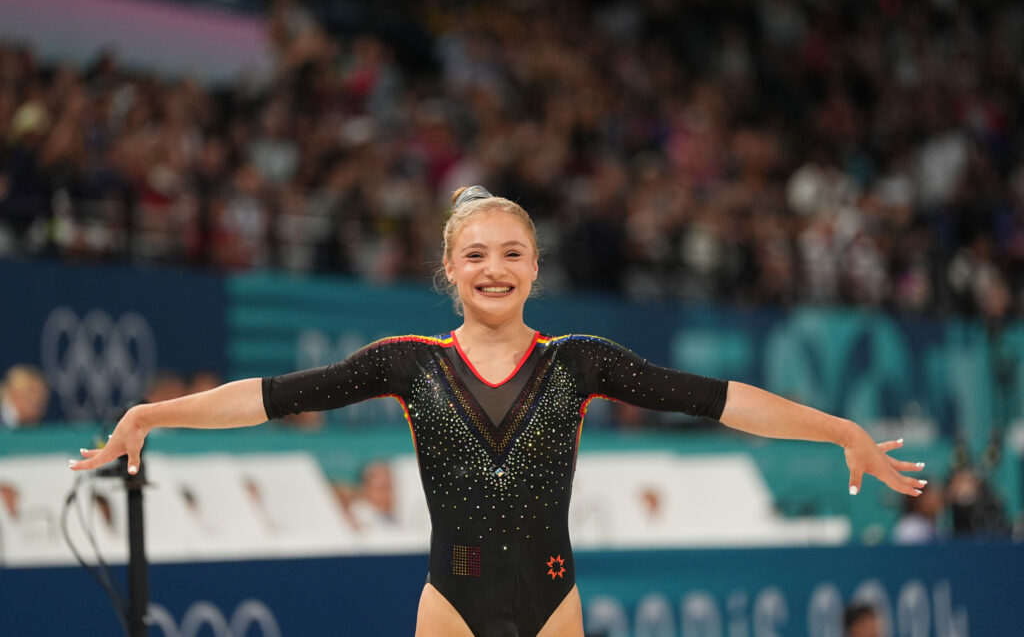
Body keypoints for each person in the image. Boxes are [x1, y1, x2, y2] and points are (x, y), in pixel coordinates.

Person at [72, 186, 926, 637]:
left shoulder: (579, 362)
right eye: (476, 254)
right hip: (453, 603)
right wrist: (153, 414)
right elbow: (269, 398)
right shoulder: (409, 364)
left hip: (553, 605)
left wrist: (839, 430)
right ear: (450, 268)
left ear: (535, 268)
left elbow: (722, 401)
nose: (494, 268)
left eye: (512, 253)